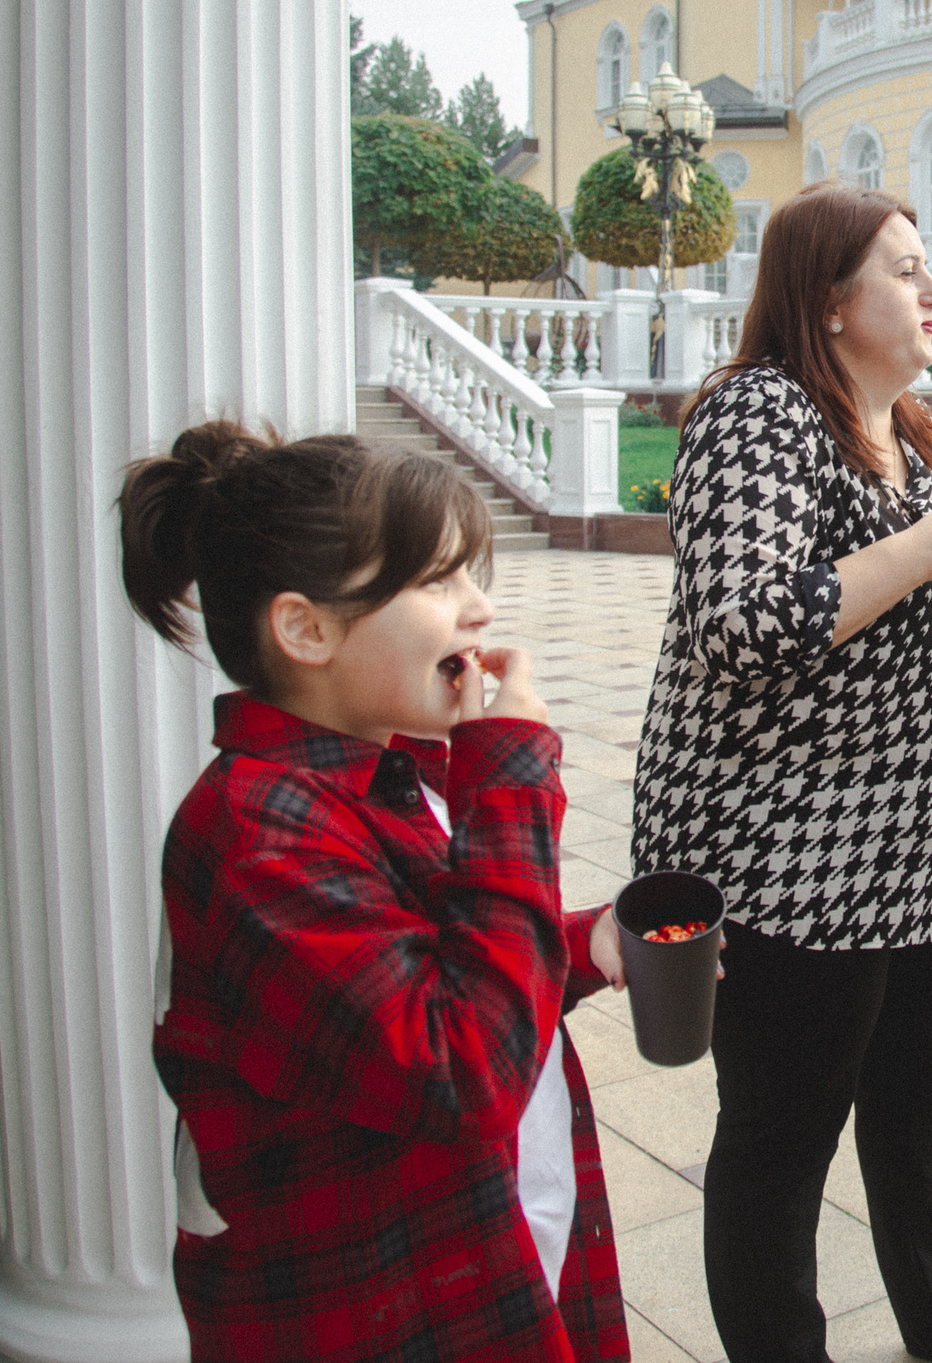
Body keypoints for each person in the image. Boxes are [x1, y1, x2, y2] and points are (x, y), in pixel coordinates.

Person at [631, 183, 932, 1363]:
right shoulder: (758, 410)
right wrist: (925, 551)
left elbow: (900, 616)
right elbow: (743, 622)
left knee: (918, 1105)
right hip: (784, 855)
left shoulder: (911, 432)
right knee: (780, 1139)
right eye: (907, 270)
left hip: (908, 846)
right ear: (828, 299)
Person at [121, 423, 628, 1363]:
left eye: (471, 574)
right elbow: (459, 1065)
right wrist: (509, 785)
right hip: (375, 1310)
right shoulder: (257, 833)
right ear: (306, 630)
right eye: (438, 580)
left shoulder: (387, 773)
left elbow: (430, 967)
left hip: (482, 1261)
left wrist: (579, 946)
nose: (479, 608)